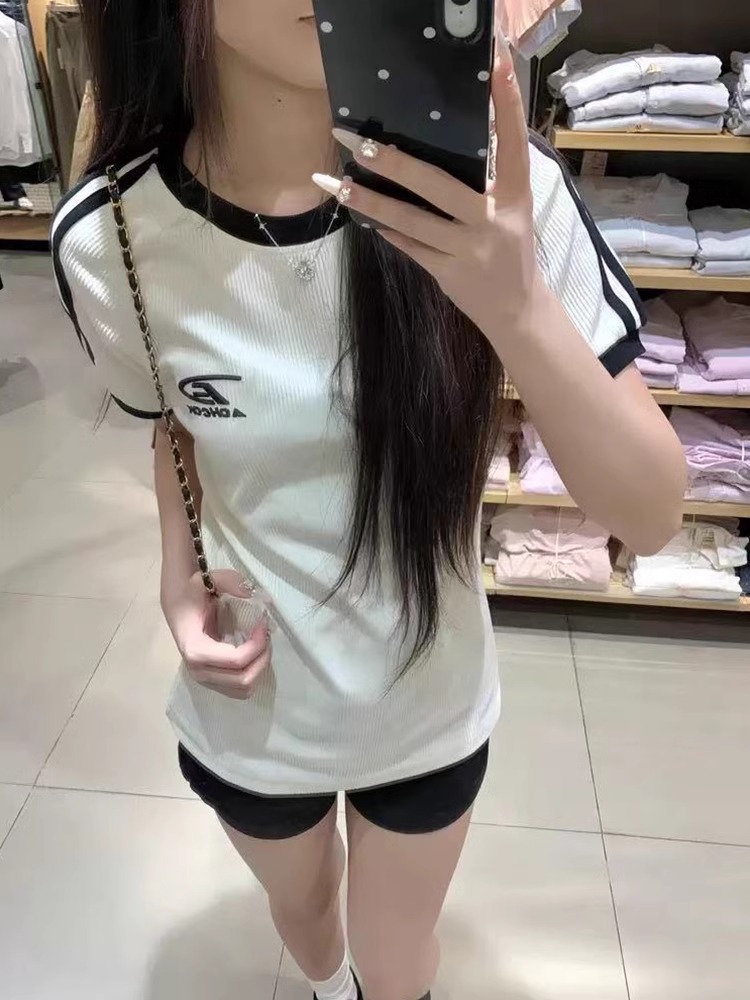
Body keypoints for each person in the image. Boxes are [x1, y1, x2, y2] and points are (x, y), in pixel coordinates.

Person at [51, 4, 687, 999]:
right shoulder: (112, 237)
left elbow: (650, 514)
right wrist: (179, 574)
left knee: (396, 964)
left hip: (428, 693)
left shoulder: (498, 192)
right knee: (309, 921)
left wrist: (518, 309)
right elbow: (172, 423)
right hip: (253, 701)